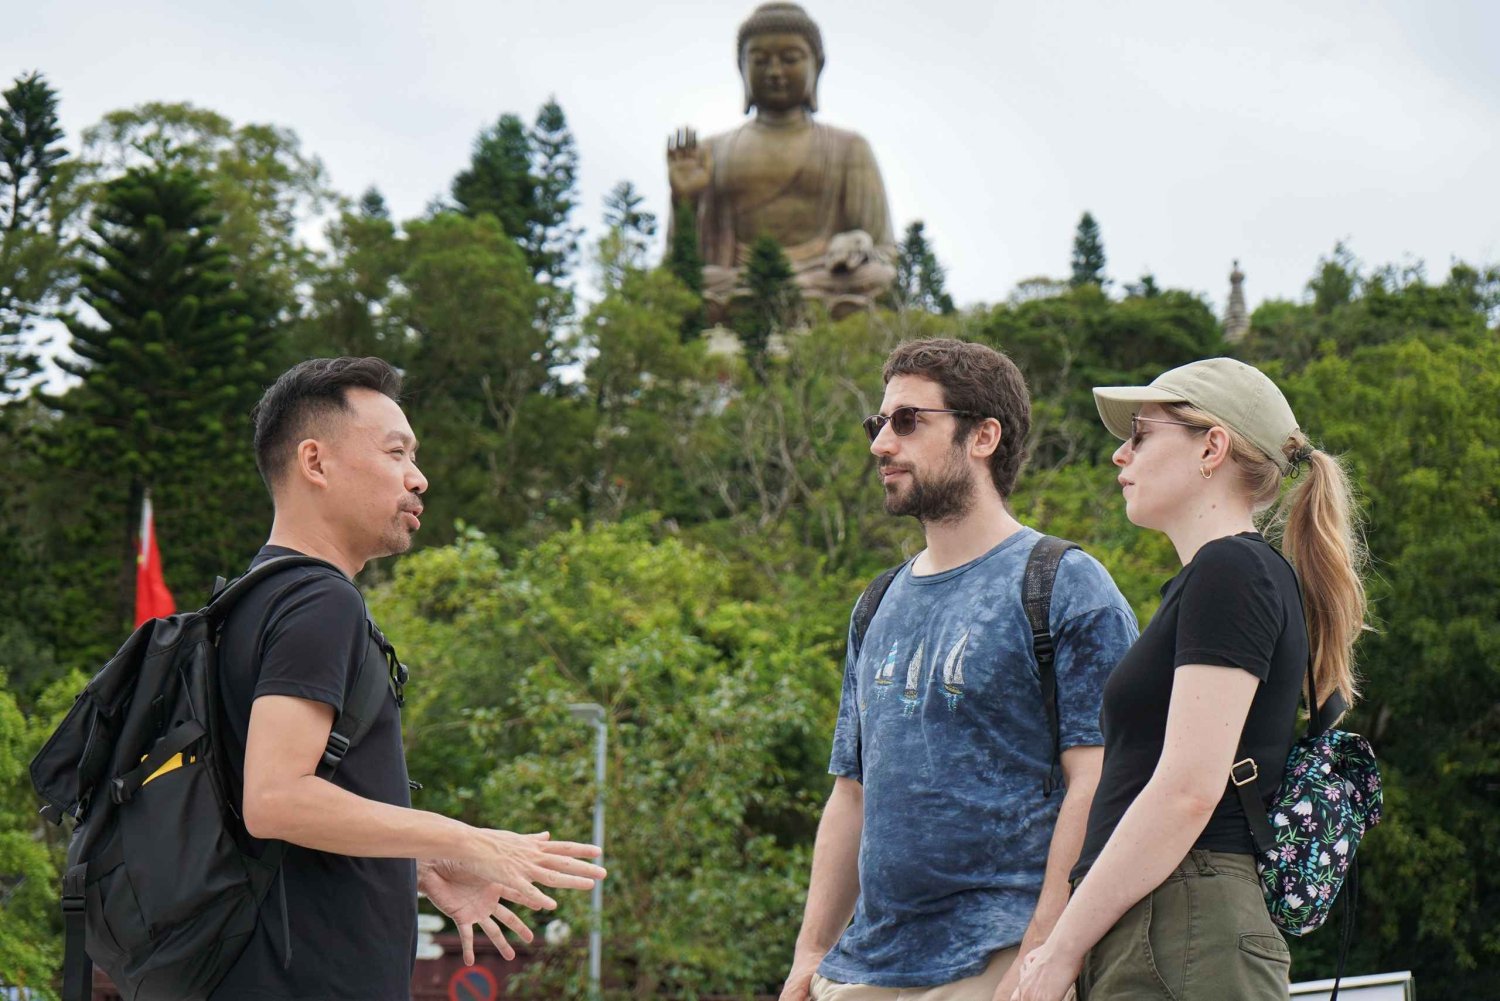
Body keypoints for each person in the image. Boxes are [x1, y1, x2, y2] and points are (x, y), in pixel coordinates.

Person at [211, 357, 606, 1000]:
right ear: (315, 462)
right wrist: (463, 837)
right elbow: (275, 798)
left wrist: (419, 863)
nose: (418, 478)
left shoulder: (249, 602)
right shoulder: (320, 602)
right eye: (396, 453)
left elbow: (264, 811)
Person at [781, 339, 1139, 1001]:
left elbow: (1099, 781)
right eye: (878, 423)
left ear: (983, 436)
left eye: (908, 420)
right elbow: (851, 793)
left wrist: (1042, 951)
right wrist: (810, 953)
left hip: (995, 962)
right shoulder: (876, 602)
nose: (881, 443)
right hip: (862, 969)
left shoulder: (1063, 584)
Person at [1012, 358, 1368, 1001]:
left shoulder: (1232, 570)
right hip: (1165, 920)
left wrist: (1059, 949)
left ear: (1212, 446)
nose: (1120, 456)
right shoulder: (1225, 576)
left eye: (1141, 434)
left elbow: (1185, 790)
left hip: (1183, 922)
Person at [666, 2, 897, 320]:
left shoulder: (849, 147)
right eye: (760, 61)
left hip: (823, 280)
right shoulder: (712, 150)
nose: (775, 72)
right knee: (686, 285)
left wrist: (856, 244)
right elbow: (681, 262)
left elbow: (884, 252)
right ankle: (773, 301)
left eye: (790, 59)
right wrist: (684, 200)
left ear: (817, 64)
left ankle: (777, 299)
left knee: (878, 278)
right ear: (741, 68)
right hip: (735, 282)